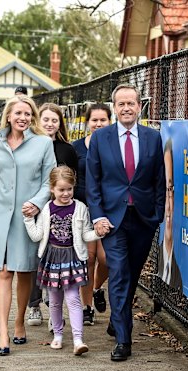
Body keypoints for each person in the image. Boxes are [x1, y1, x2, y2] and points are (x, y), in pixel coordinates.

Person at [86, 83, 165, 361]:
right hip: (112, 220)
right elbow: (93, 182)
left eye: (131, 103)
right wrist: (97, 217)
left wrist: (157, 215)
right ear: (114, 108)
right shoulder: (100, 138)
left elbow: (159, 179)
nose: (126, 108)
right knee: (118, 272)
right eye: (121, 104)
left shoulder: (153, 138)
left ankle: (117, 319)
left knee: (130, 275)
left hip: (143, 219)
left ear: (139, 107)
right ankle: (123, 339)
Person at [0, 95, 56, 356]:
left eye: (27, 114)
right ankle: (3, 331)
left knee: (24, 271)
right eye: (18, 113)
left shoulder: (44, 143)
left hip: (27, 218)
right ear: (9, 116)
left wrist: (36, 203)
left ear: (32, 117)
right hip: (0, 218)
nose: (23, 118)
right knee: (3, 272)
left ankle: (19, 321)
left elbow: (51, 181)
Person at [24, 166, 101, 356]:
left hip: (72, 256)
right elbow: (37, 236)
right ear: (52, 189)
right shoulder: (46, 209)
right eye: (61, 190)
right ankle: (57, 334)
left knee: (73, 298)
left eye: (69, 189)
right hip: (52, 256)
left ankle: (78, 339)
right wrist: (28, 219)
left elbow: (85, 234)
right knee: (55, 300)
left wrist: (97, 233)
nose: (66, 193)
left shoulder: (80, 208)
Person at [27, 103, 78, 327]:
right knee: (35, 258)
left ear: (60, 124)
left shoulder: (67, 150)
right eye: (45, 119)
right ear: (38, 121)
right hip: (36, 209)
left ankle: (53, 310)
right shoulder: (30, 145)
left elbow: (75, 180)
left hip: (60, 213)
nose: (49, 124)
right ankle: (34, 304)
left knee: (56, 259)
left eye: (54, 120)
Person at [72, 103, 111, 326]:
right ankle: (86, 307)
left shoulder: (114, 146)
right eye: (94, 120)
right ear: (87, 123)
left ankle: (97, 288)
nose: (98, 124)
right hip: (81, 209)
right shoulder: (77, 147)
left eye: (102, 120)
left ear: (109, 121)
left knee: (105, 258)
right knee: (87, 258)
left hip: (107, 209)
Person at [157, 138, 182, 290]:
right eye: (164, 188)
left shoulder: (181, 275)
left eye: (171, 189)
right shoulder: (158, 256)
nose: (168, 202)